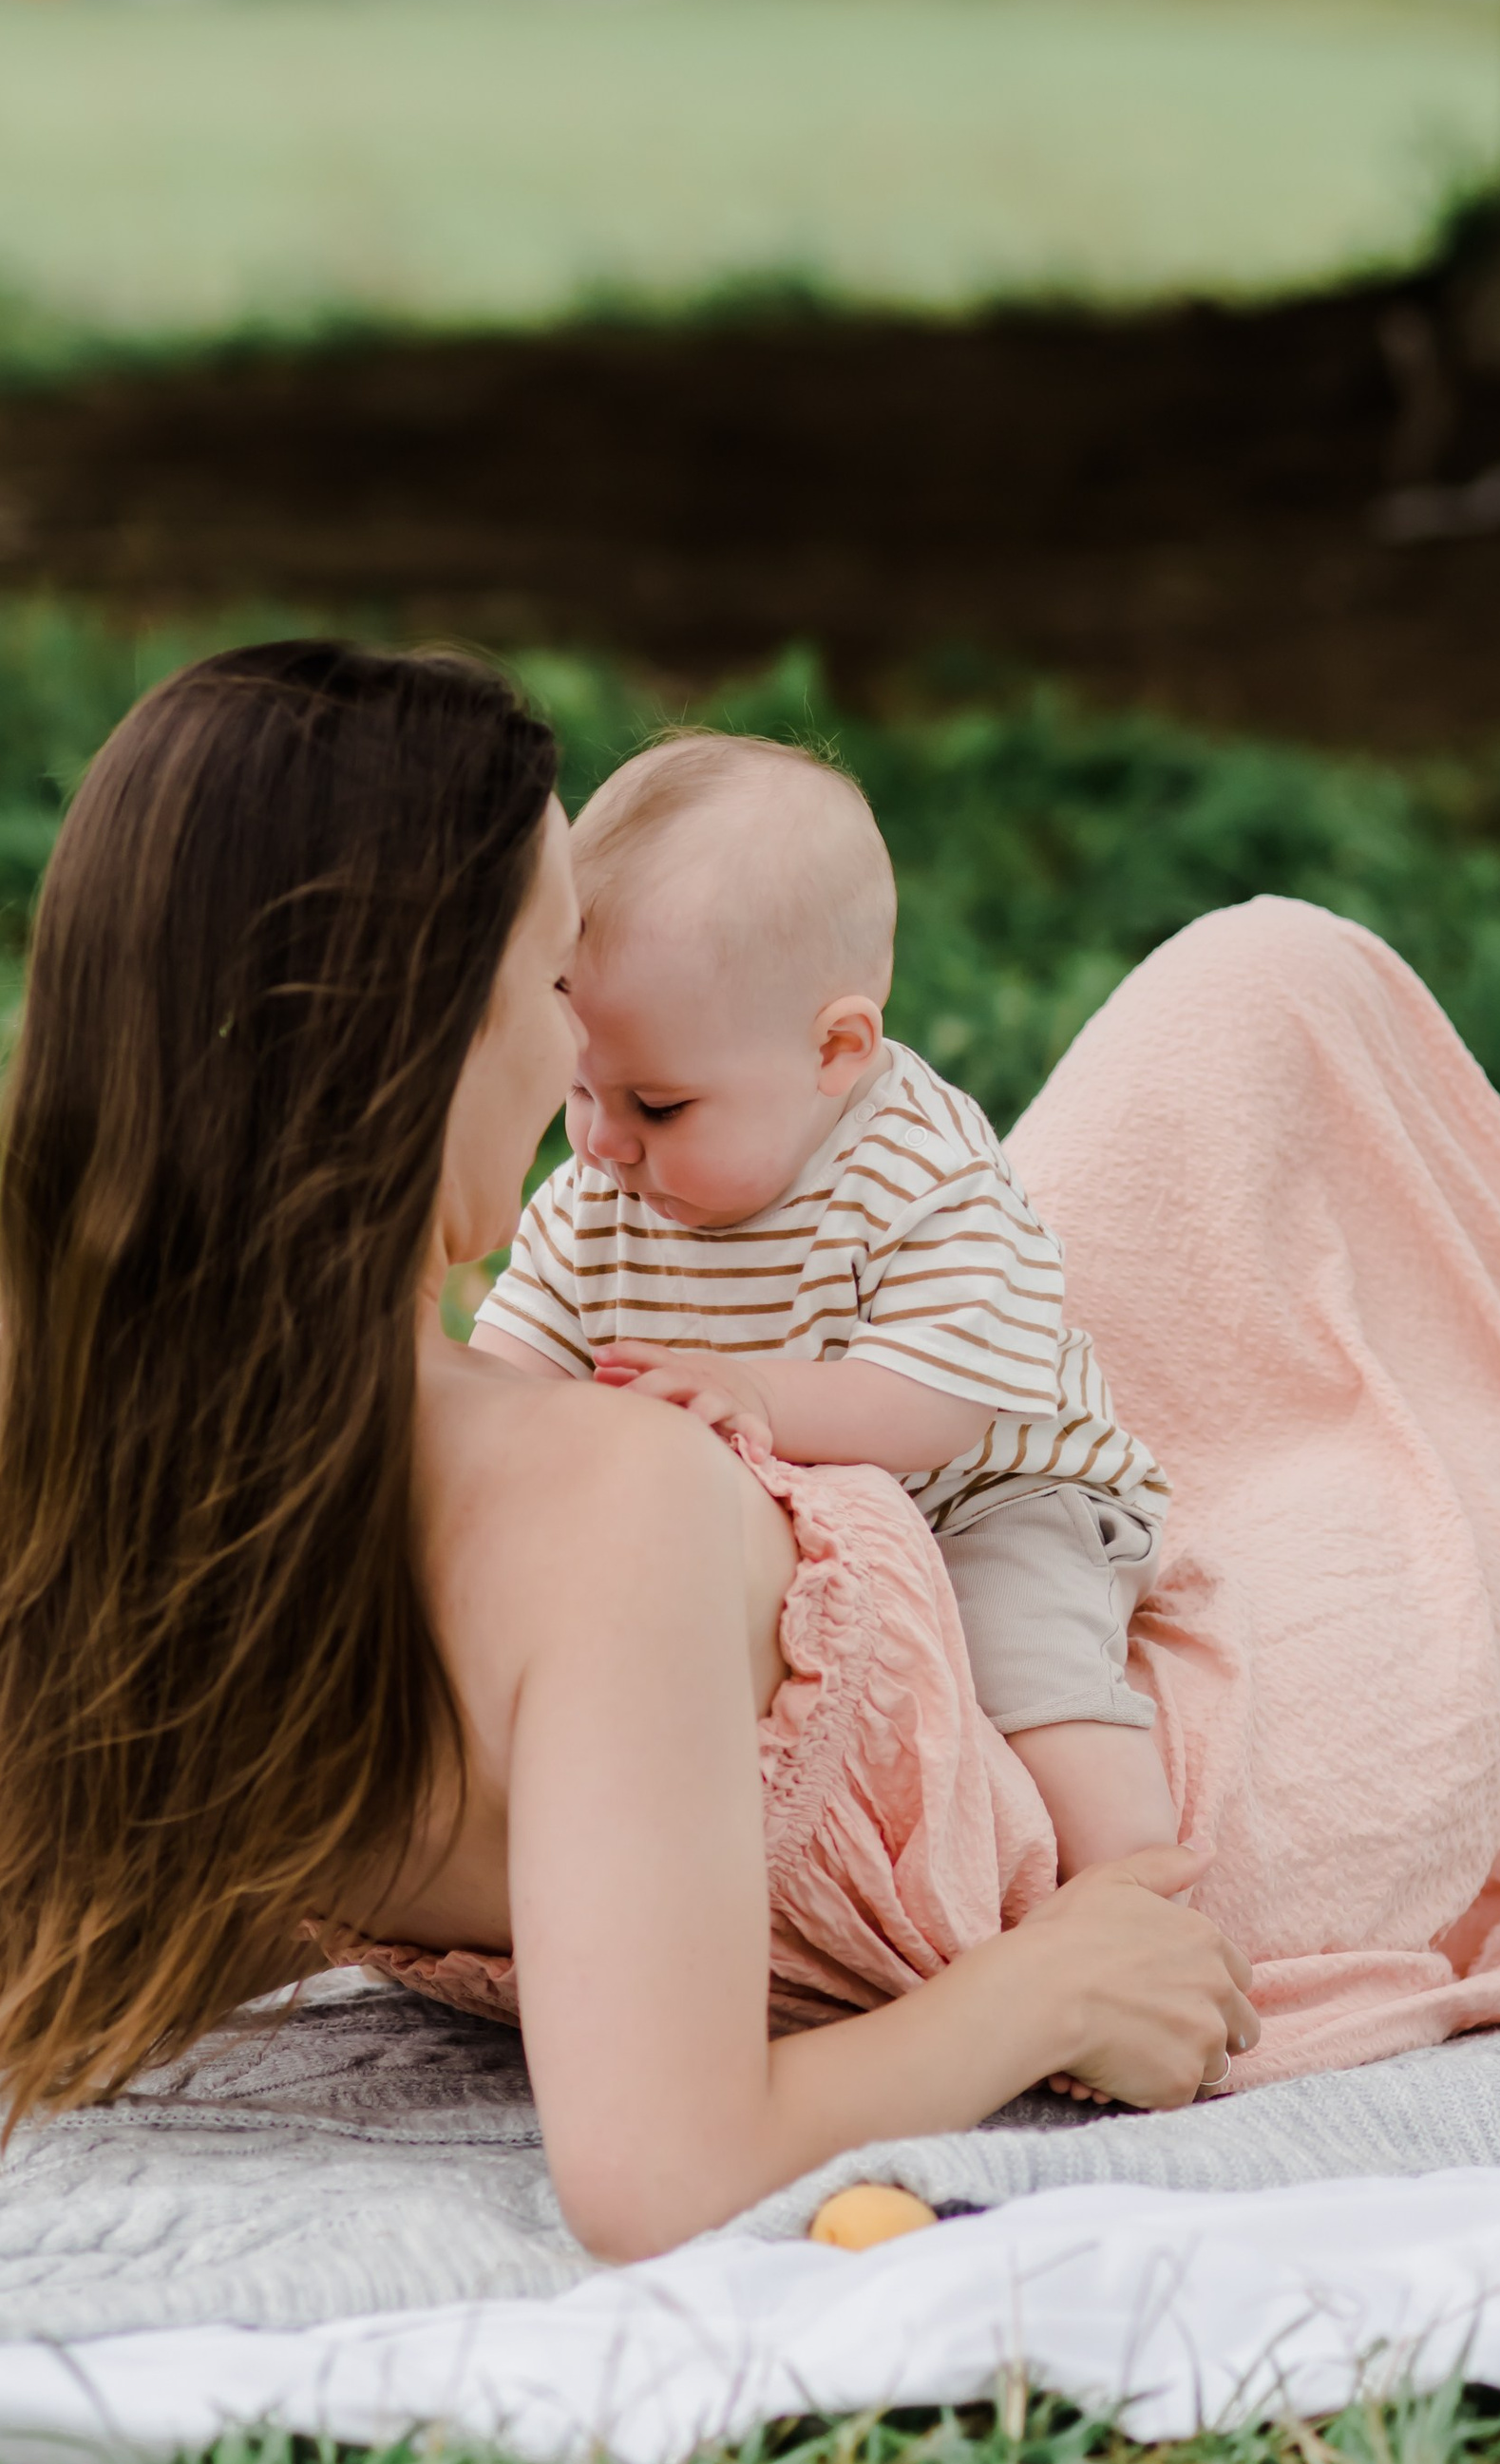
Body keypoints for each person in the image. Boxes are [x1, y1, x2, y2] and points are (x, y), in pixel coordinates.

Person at [0, 644, 1500, 2262]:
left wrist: (226, 1846)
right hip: (1127, 1801)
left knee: (1268, 983)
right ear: (412, 1061)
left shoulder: (25, 1418)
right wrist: (1038, 1994)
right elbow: (650, 2171)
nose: (596, 1033)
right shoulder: (599, 1514)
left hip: (957, 1515)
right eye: (555, 979)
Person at [473, 730, 1179, 1879]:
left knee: (1024, 1661)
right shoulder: (598, 1194)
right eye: (579, 1088)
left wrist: (756, 1392)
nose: (604, 1142)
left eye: (658, 1104)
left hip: (985, 1499)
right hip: (794, 1542)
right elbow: (504, 1374)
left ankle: (1134, 1890)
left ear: (835, 1049)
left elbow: (935, 1406)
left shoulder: (918, 1173)